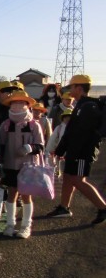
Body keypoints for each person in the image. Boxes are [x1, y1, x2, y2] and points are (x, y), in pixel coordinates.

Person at [45, 75, 106, 224]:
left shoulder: (88, 107)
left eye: (71, 87)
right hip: (75, 151)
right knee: (67, 176)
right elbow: (71, 132)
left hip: (82, 152)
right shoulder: (81, 105)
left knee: (78, 180)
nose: (69, 90)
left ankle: (103, 208)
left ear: (79, 88)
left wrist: (70, 152)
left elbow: (81, 134)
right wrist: (61, 150)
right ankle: (64, 207)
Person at [0, 91, 45, 239]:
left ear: (27, 105)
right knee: (11, 194)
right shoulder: (6, 125)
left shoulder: (34, 125)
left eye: (21, 103)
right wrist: (0, 163)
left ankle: (26, 225)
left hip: (28, 166)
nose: (17, 105)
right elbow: (0, 145)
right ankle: (10, 224)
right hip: (10, 165)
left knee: (26, 196)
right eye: (14, 103)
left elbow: (40, 146)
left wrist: (29, 148)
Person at [46, 109, 72, 176]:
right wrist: (51, 151)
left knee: (69, 174)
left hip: (71, 155)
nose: (68, 119)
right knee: (60, 172)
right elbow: (52, 140)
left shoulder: (76, 128)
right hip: (60, 154)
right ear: (63, 118)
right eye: (66, 117)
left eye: (69, 117)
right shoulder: (59, 128)